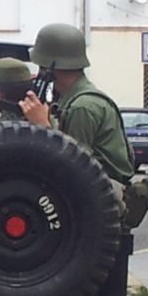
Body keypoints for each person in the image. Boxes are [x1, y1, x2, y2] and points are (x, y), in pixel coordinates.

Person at [19, 23, 135, 186]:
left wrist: (43, 125)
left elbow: (74, 168)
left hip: (103, 195)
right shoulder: (71, 100)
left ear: (51, 68)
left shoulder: (82, 107)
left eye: (41, 64)